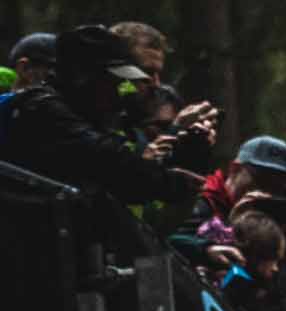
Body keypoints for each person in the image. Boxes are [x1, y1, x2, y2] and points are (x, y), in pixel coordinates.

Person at [2, 23, 202, 205]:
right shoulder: (42, 109)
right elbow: (109, 161)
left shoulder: (75, 112)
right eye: (111, 82)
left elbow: (125, 186)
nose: (118, 91)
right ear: (82, 77)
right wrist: (169, 181)